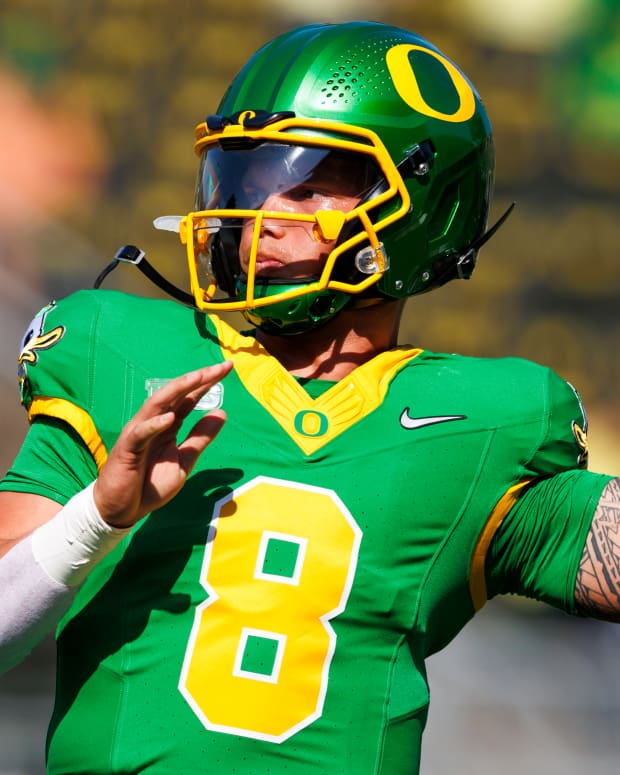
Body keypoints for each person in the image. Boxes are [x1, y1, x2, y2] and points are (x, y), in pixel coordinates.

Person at [0, 19, 617, 775]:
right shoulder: (121, 357)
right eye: (244, 183)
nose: (258, 219)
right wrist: (94, 515)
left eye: (308, 186)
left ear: (419, 206)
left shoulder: (489, 423)